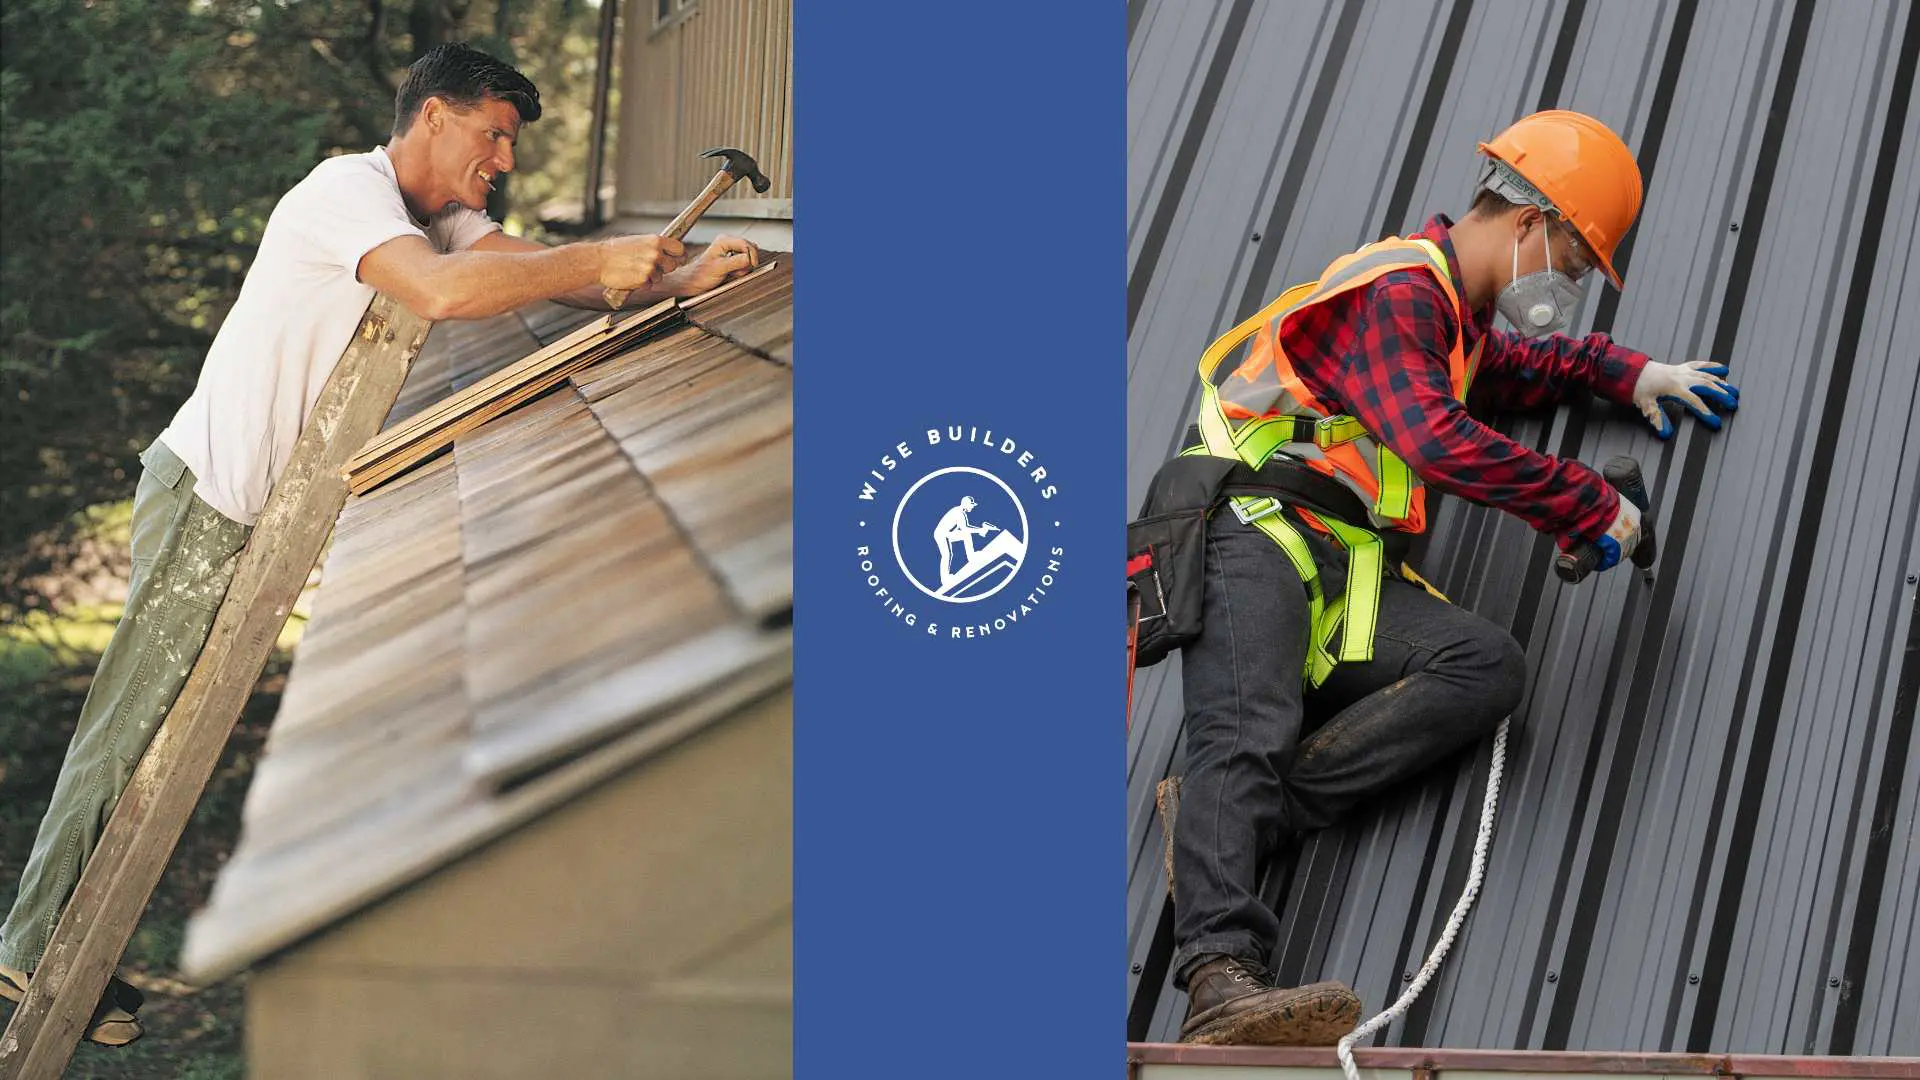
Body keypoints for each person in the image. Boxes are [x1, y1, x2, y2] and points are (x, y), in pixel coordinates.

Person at [0, 42, 761, 1046]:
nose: (505, 161)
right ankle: (28, 950)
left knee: (159, 730)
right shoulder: (345, 192)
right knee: (132, 721)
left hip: (240, 507)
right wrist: (593, 259)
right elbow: (441, 292)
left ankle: (61, 947)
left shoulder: (434, 215)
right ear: (435, 115)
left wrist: (678, 278)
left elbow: (526, 271)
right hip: (202, 496)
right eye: (493, 135)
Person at [1161, 110, 1737, 1046]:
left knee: (1484, 666)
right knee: (1247, 723)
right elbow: (1433, 435)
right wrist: (1586, 503)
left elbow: (1514, 372)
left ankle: (1234, 822)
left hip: (1336, 563)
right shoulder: (1401, 292)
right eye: (1576, 262)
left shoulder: (1451, 324)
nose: (1572, 286)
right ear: (1526, 225)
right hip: (1250, 528)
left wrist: (1627, 373)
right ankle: (1220, 981)